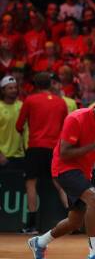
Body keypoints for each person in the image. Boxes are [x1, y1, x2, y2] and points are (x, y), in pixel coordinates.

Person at [27, 96, 95, 259]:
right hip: (63, 168)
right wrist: (93, 145)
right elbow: (64, 153)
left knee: (74, 222)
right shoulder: (76, 119)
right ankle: (94, 255)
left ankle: (39, 242)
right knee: (94, 199)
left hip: (83, 172)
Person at [16, 72, 69, 233]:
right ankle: (73, 220)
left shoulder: (30, 100)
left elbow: (19, 126)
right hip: (54, 149)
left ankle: (31, 225)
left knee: (31, 184)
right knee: (59, 183)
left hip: (35, 147)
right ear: (50, 84)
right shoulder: (61, 103)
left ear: (35, 85)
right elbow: (66, 127)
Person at [0, 76, 25, 171]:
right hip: (4, 156)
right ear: (3, 91)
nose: (14, 90)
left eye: (15, 87)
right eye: (10, 88)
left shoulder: (22, 106)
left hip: (20, 155)